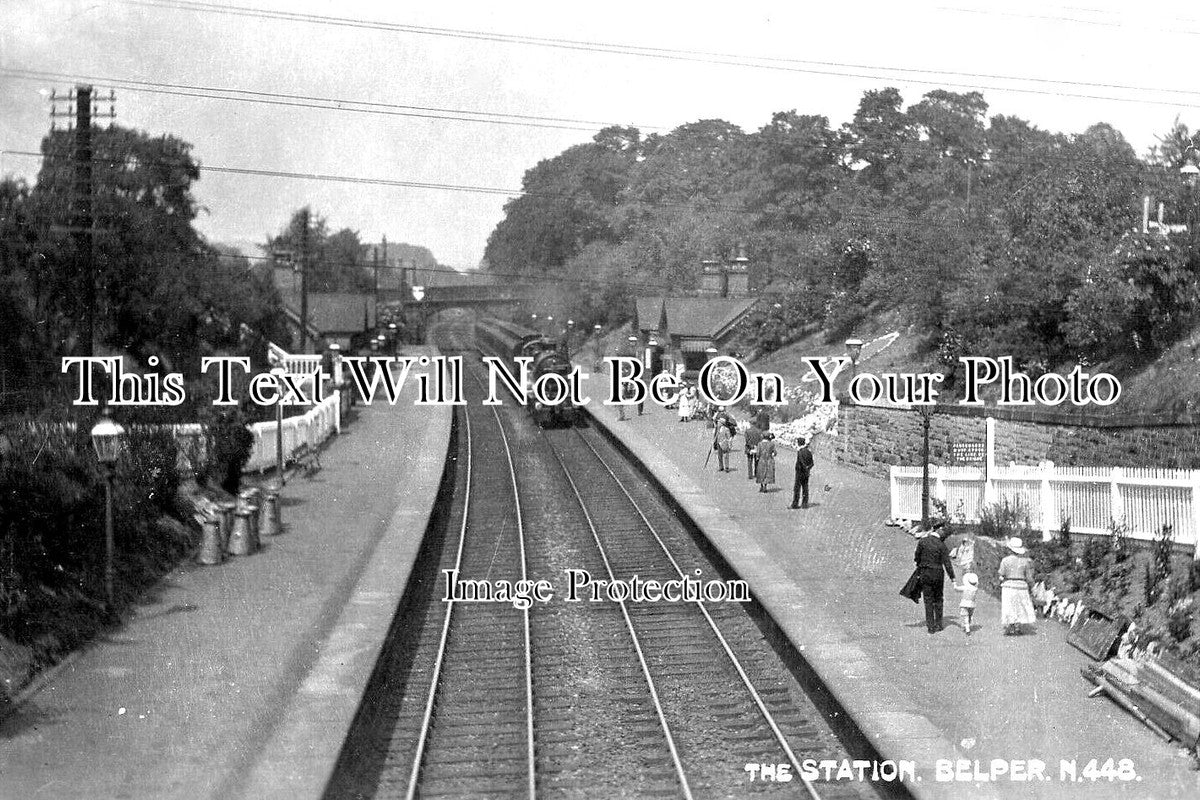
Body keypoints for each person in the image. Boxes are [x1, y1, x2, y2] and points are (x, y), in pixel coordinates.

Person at [913, 529, 955, 633]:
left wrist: (919, 564)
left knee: (928, 599)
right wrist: (952, 577)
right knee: (938, 599)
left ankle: (930, 626)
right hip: (938, 574)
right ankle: (939, 624)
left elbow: (917, 556)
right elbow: (947, 563)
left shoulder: (922, 541)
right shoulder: (941, 545)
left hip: (925, 572)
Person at [999, 537, 1036, 635]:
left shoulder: (1005, 560)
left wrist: (1001, 578)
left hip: (1009, 585)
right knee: (1020, 606)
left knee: (1009, 606)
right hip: (1021, 586)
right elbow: (1028, 577)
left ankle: (1011, 626)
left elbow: (1001, 574)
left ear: (1010, 549)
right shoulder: (1025, 562)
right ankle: (1017, 627)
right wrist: (1032, 586)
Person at [790, 436, 815, 508]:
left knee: (797, 488)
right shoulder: (808, 452)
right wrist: (808, 469)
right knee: (805, 488)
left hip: (800, 472)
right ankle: (804, 503)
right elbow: (812, 463)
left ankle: (795, 504)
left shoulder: (800, 452)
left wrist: (804, 468)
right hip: (806, 473)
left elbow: (801, 462)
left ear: (799, 443)